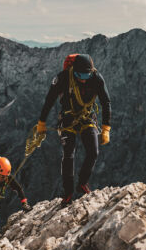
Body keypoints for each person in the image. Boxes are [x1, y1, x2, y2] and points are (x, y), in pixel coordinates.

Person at [37, 54, 111, 207]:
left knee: (93, 152)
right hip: (68, 119)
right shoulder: (63, 78)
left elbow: (106, 102)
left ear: (91, 71)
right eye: (80, 75)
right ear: (73, 70)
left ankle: (82, 183)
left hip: (87, 117)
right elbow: (49, 99)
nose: (83, 79)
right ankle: (68, 192)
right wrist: (41, 122)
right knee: (69, 155)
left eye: (86, 75)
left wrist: (106, 128)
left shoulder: (97, 78)